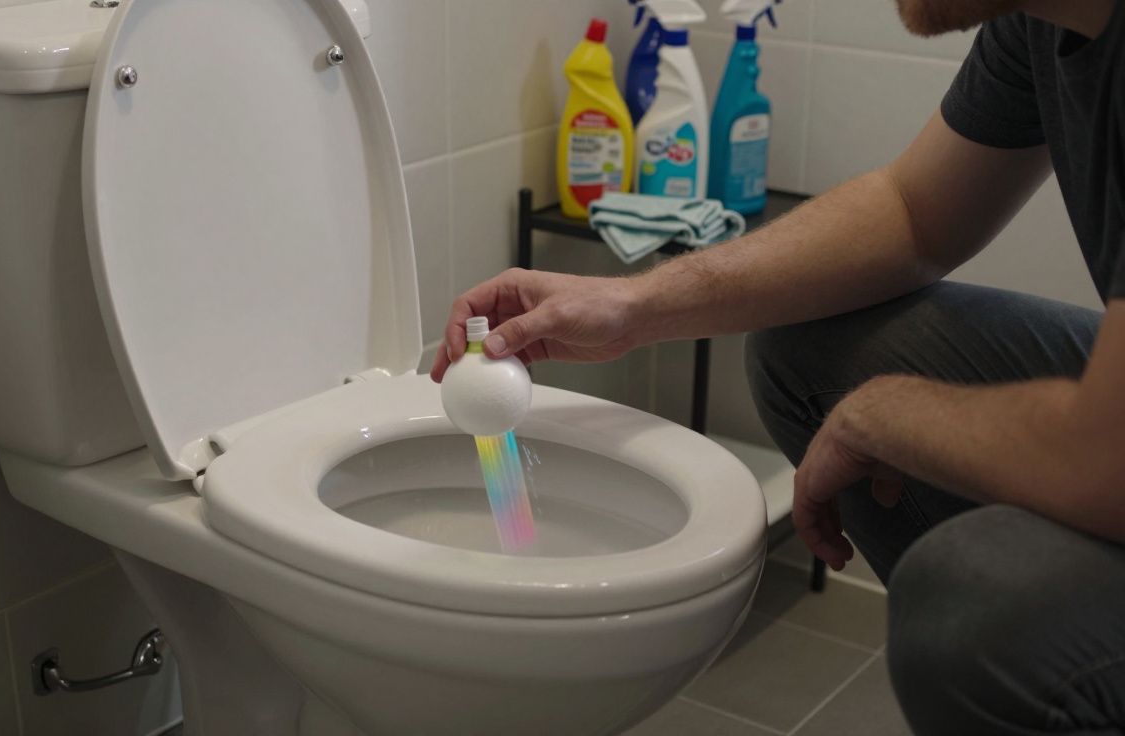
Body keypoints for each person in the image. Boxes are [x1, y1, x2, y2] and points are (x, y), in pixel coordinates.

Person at [431, 1, 1125, 732]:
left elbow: (1107, 455)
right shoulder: (1045, 21)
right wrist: (629, 306)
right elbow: (913, 213)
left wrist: (885, 414)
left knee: (977, 605)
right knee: (809, 352)